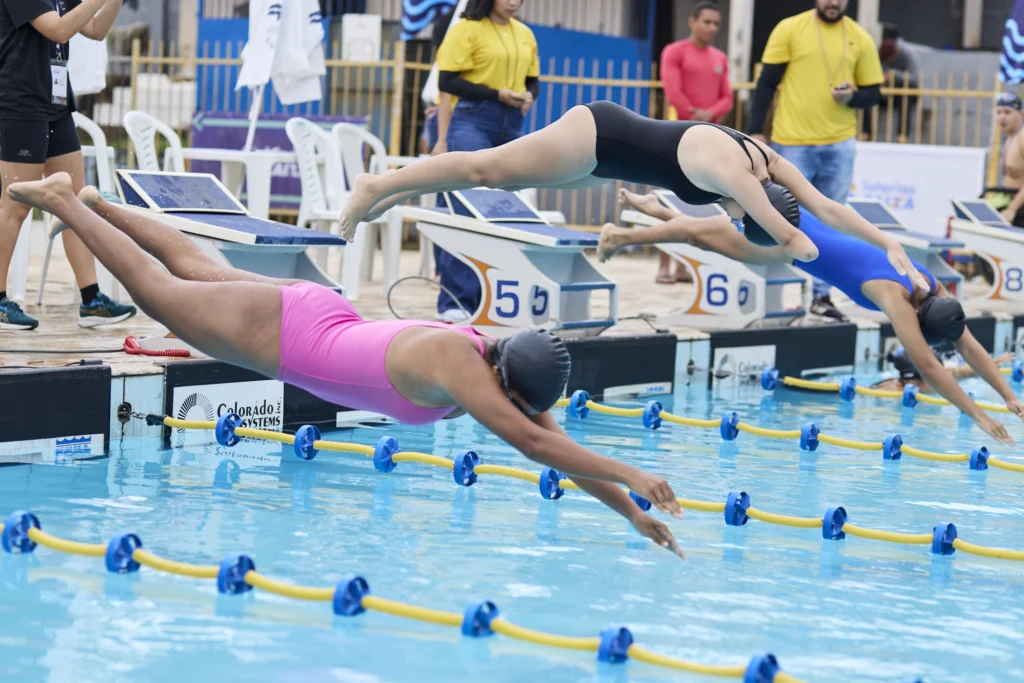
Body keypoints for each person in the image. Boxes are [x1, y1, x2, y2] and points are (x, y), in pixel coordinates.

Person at [9, 172, 686, 558]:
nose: (522, 414)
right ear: (512, 388)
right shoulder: (461, 366)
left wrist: (629, 512)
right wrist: (636, 474)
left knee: (195, 268)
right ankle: (66, 201)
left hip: (319, 314)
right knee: (161, 292)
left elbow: (558, 448)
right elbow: (537, 444)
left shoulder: (493, 352)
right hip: (285, 335)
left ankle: (99, 205)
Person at [338, 100, 930, 296]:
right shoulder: (737, 174)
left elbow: (827, 208)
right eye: (740, 219)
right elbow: (795, 235)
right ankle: (377, 185)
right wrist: (798, 248)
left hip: (607, 161)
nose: (732, 218)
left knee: (504, 180)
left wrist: (888, 243)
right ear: (753, 207)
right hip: (599, 136)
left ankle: (392, 195)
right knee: (486, 169)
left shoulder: (768, 163)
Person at [597, 189, 1024, 445]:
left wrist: (1008, 396)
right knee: (698, 235)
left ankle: (653, 207)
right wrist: (979, 416)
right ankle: (620, 237)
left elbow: (969, 344)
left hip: (800, 236)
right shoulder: (894, 298)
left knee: (706, 237)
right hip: (786, 235)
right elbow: (929, 367)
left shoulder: (930, 286)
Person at [0, 0, 136, 331]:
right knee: (16, 206)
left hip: (56, 103)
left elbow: (95, 29)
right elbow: (58, 30)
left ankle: (91, 301)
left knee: (75, 202)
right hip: (20, 103)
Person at [747, 0, 884, 324]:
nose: (833, 2)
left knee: (833, 221)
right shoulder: (790, 28)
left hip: (840, 143)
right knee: (776, 214)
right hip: (792, 143)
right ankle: (770, 294)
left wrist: (852, 97)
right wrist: (755, 130)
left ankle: (821, 297)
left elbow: (874, 93)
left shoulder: (860, 37)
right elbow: (767, 82)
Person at [430, 0, 540, 323]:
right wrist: (496, 94)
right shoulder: (466, 29)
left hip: (513, 123)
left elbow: (533, 79)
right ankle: (456, 300)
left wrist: (529, 95)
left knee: (504, 208)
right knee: (467, 206)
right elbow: (447, 81)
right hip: (473, 121)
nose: (514, 2)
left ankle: (489, 297)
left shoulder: (525, 33)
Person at [656, 1, 732, 285]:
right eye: (707, 22)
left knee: (699, 201)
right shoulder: (674, 52)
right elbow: (673, 91)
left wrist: (710, 114)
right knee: (669, 199)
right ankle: (664, 264)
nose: (712, 28)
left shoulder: (720, 58)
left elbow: (728, 97)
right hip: (677, 135)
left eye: (716, 24)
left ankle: (685, 266)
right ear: (692, 21)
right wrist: (695, 116)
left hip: (710, 138)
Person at [870, 347, 1015, 393]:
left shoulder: (944, 375)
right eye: (933, 375)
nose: (940, 378)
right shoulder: (893, 391)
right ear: (911, 381)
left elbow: (972, 370)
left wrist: (995, 362)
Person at [863, 25, 918, 142]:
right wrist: (879, 79)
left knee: (906, 98)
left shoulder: (906, 55)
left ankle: (902, 135)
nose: (888, 62)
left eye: (890, 59)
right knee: (866, 95)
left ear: (896, 53)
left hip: (901, 93)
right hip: (883, 92)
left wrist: (895, 75)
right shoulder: (878, 54)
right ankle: (866, 132)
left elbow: (915, 78)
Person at [987, 92, 1024, 226]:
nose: (1002, 117)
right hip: (1008, 197)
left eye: (1008, 112)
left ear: (1021, 113)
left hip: (1019, 205)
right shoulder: (1008, 138)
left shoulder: (1022, 137)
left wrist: (1012, 209)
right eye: (999, 112)